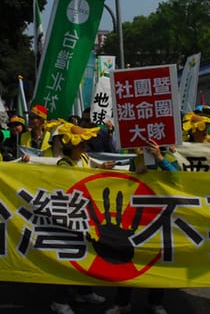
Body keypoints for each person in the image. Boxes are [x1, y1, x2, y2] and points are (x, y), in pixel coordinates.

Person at [106, 138, 175, 314]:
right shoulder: (135, 159)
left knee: (156, 260)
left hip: (160, 217)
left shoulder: (171, 158)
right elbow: (125, 185)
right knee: (128, 260)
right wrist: (135, 175)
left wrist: (160, 159)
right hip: (135, 217)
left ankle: (155, 302)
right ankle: (122, 303)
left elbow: (177, 178)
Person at [51, 122, 107, 314]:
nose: (84, 147)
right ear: (71, 146)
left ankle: (84, 291)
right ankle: (60, 300)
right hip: (69, 217)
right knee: (68, 258)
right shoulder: (63, 164)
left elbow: (93, 168)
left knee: (84, 255)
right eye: (81, 144)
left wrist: (104, 167)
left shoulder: (83, 157)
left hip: (84, 215)